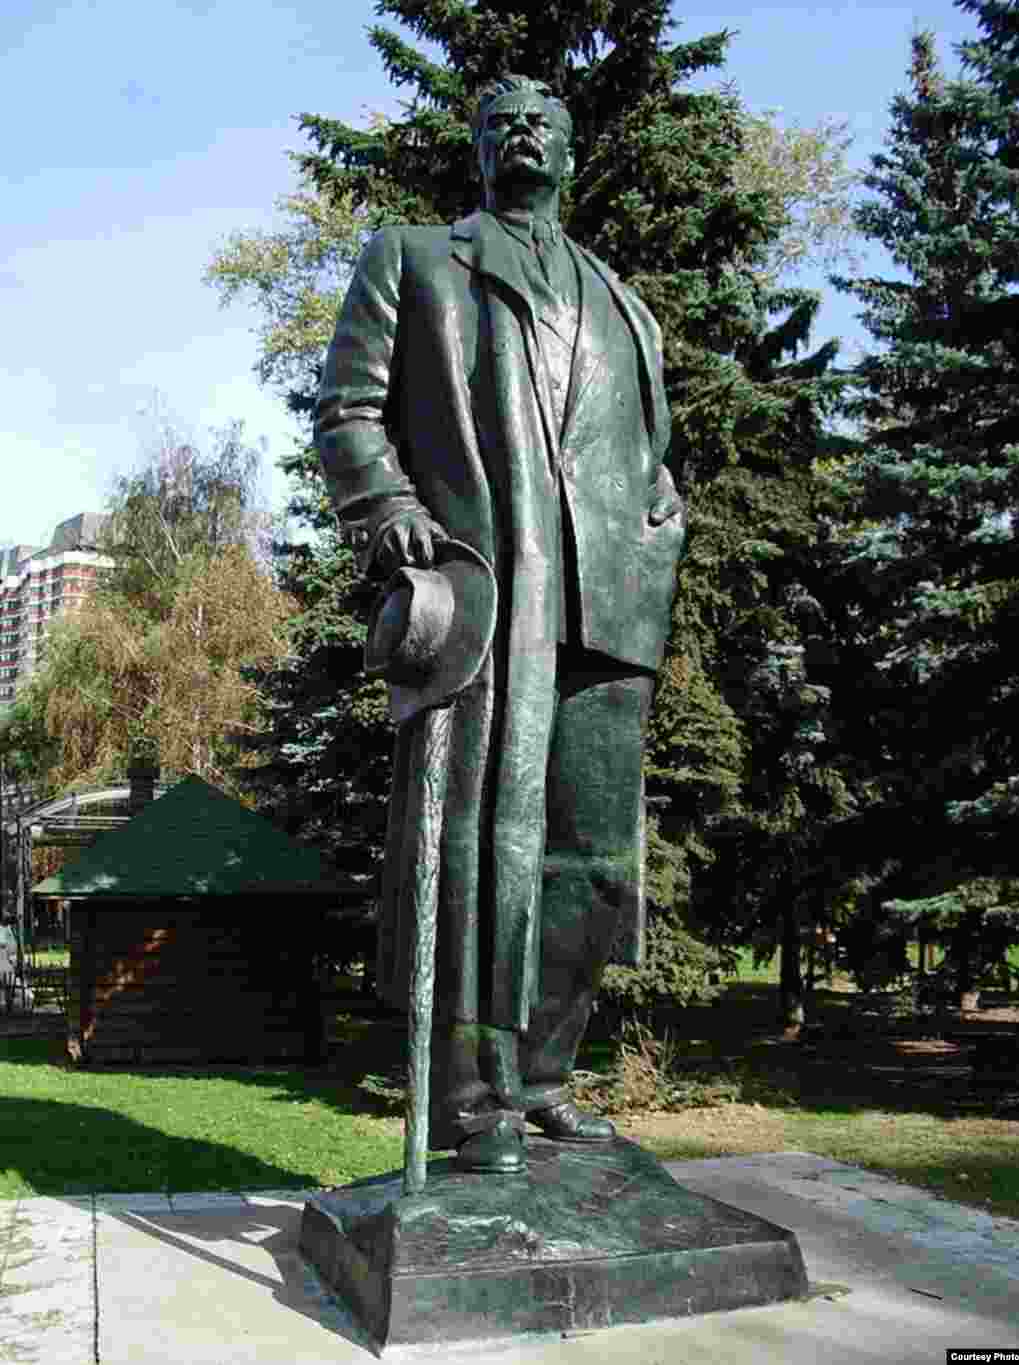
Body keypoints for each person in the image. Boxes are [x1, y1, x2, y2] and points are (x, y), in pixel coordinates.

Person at [316, 73, 686, 1174]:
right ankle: (473, 1102)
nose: (522, 134)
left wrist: (662, 505)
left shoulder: (618, 295)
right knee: (483, 853)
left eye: (543, 123)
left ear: (572, 155)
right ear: (477, 151)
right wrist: (387, 509)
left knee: (591, 858)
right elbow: (346, 408)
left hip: (608, 604)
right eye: (499, 123)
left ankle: (545, 1078)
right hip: (492, 591)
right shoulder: (418, 257)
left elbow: (638, 438)